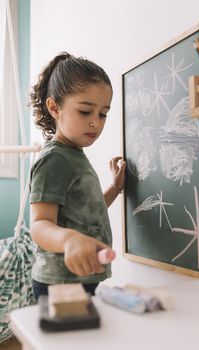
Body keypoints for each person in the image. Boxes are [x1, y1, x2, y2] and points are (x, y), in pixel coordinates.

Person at [29, 52, 126, 301]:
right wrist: (70, 240)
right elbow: (39, 225)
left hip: (83, 276)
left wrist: (115, 188)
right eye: (85, 111)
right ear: (54, 107)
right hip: (59, 282)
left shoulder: (74, 156)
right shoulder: (55, 159)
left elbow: (85, 212)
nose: (96, 122)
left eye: (103, 114)